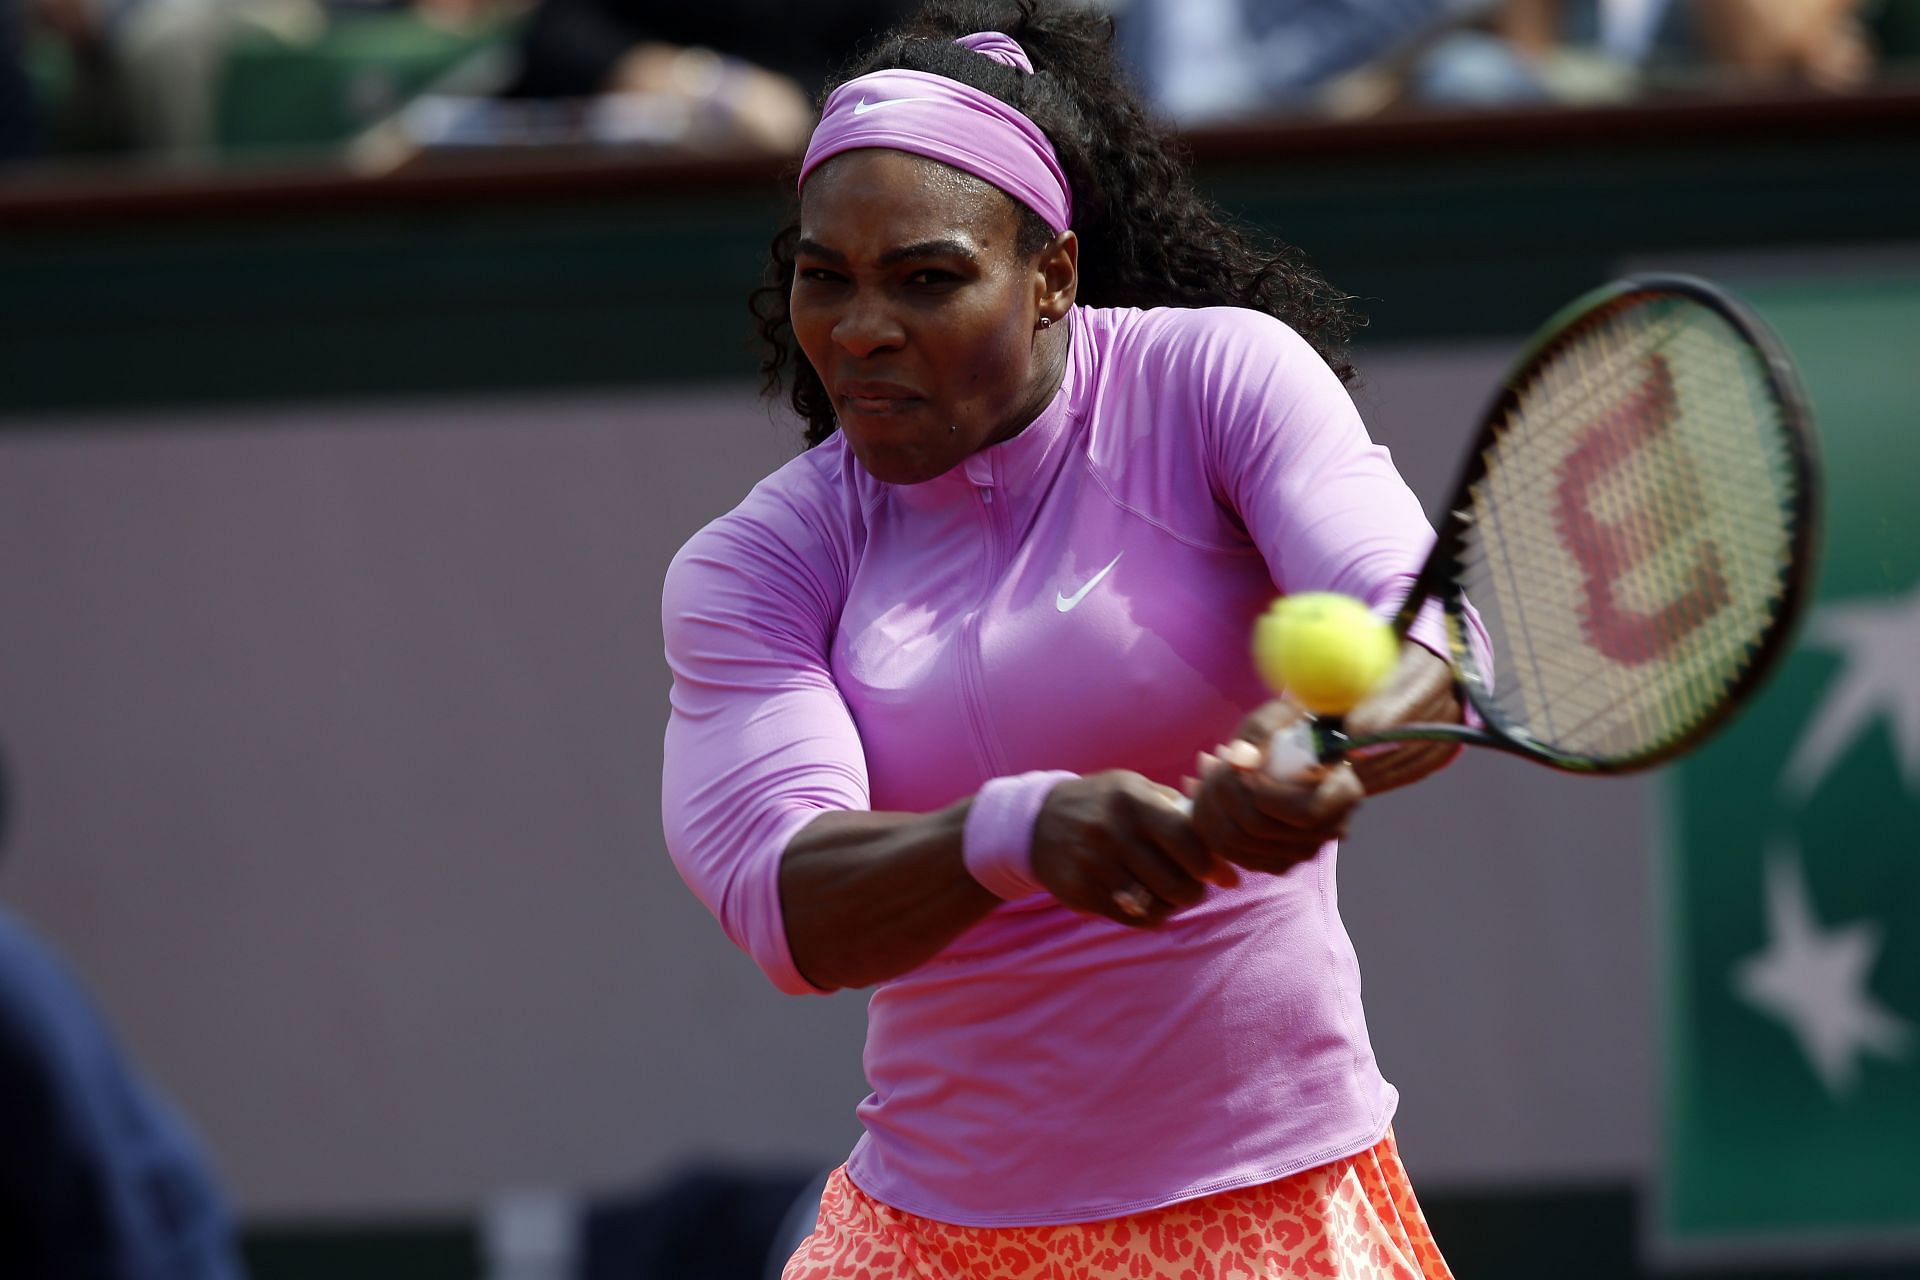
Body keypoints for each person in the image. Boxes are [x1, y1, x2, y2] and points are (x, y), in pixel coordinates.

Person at [661, 2, 1486, 1274]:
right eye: (825, 275)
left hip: (1271, 1207)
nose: (861, 327)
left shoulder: (1221, 380)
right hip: (932, 1238)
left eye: (927, 277)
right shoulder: (758, 564)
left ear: (1050, 276)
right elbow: (785, 900)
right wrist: (1016, 830)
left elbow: (1418, 626)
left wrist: (1320, 736)